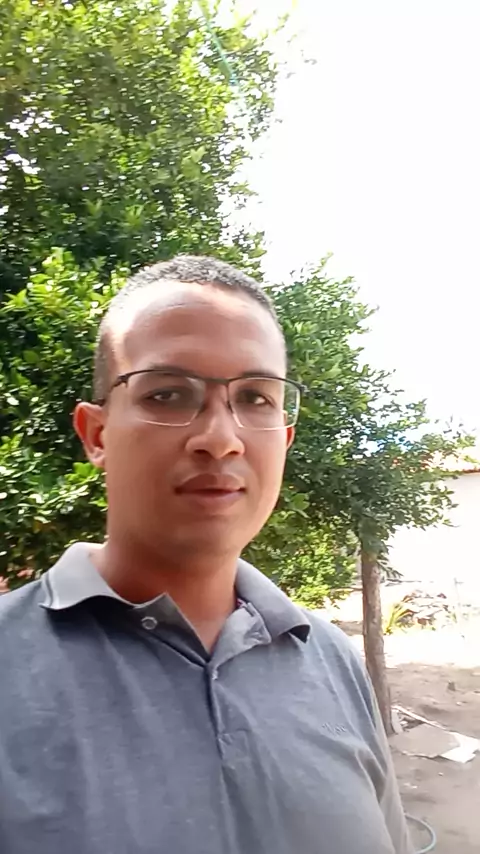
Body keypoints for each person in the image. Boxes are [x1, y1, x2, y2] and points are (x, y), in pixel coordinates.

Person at [0, 255, 413, 854]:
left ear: (284, 439)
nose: (220, 439)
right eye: (168, 394)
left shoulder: (331, 661)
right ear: (97, 434)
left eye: (256, 398)